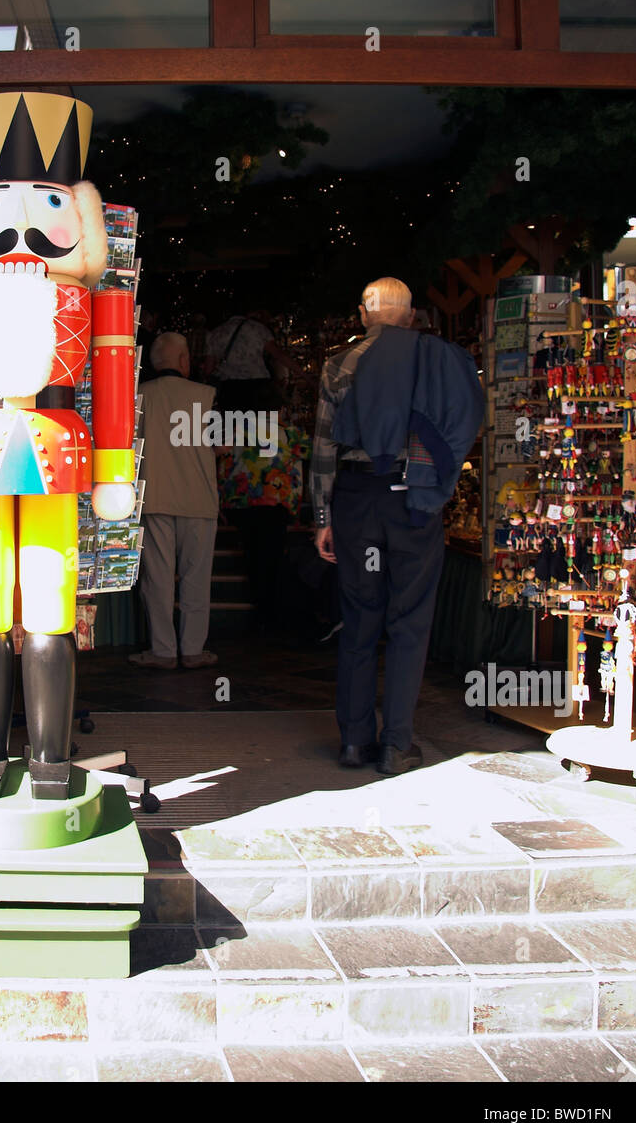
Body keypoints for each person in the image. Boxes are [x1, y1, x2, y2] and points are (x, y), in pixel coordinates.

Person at [310, 278, 482, 775]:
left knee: (359, 621)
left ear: (363, 314)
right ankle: (396, 744)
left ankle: (353, 742)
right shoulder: (437, 358)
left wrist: (323, 518)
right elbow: (464, 420)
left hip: (357, 500)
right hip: (415, 498)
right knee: (410, 623)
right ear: (410, 317)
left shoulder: (339, 364)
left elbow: (323, 449)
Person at [129, 332, 219, 670]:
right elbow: (221, 446)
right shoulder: (205, 395)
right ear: (184, 361)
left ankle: (163, 651)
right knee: (197, 578)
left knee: (158, 580)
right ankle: (193, 650)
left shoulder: (139, 396)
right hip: (199, 500)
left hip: (155, 498)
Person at [216, 380, 310, 631]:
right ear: (279, 408)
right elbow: (310, 454)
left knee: (253, 557)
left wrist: (221, 501)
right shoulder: (291, 434)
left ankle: (262, 612)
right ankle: (272, 615)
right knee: (274, 558)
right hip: (276, 505)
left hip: (243, 504)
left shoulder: (234, 431)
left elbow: (223, 464)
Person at [204, 311, 290, 412]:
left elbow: (208, 369)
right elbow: (279, 355)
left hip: (228, 389)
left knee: (232, 424)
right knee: (257, 425)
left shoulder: (216, 332)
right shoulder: (258, 329)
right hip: (256, 385)